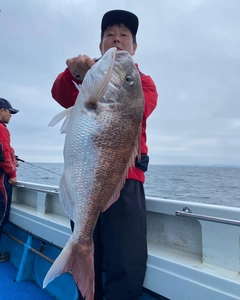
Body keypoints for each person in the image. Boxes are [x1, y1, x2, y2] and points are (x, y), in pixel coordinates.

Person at [51, 10, 158, 300]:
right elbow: (60, 94)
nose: (117, 40)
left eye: (125, 36)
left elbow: (139, 107)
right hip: (85, 180)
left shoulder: (141, 82)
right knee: (89, 259)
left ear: (134, 47)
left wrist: (101, 80)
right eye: (110, 35)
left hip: (126, 182)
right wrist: (74, 73)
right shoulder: (86, 79)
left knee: (126, 264)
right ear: (101, 46)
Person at [0, 98, 19, 263]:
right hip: (1, 182)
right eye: (9, 112)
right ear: (1, 111)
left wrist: (14, 160)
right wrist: (12, 173)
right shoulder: (1, 128)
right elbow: (4, 153)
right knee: (1, 215)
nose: (10, 116)